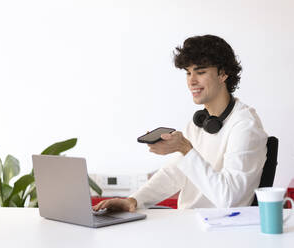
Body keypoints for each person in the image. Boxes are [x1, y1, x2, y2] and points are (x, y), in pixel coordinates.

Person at [93, 34, 268, 212]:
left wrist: (185, 148)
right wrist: (134, 200)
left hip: (221, 230)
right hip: (189, 223)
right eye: (188, 73)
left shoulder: (245, 125)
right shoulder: (200, 122)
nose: (191, 81)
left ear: (223, 74)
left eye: (200, 72)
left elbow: (229, 199)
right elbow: (174, 174)